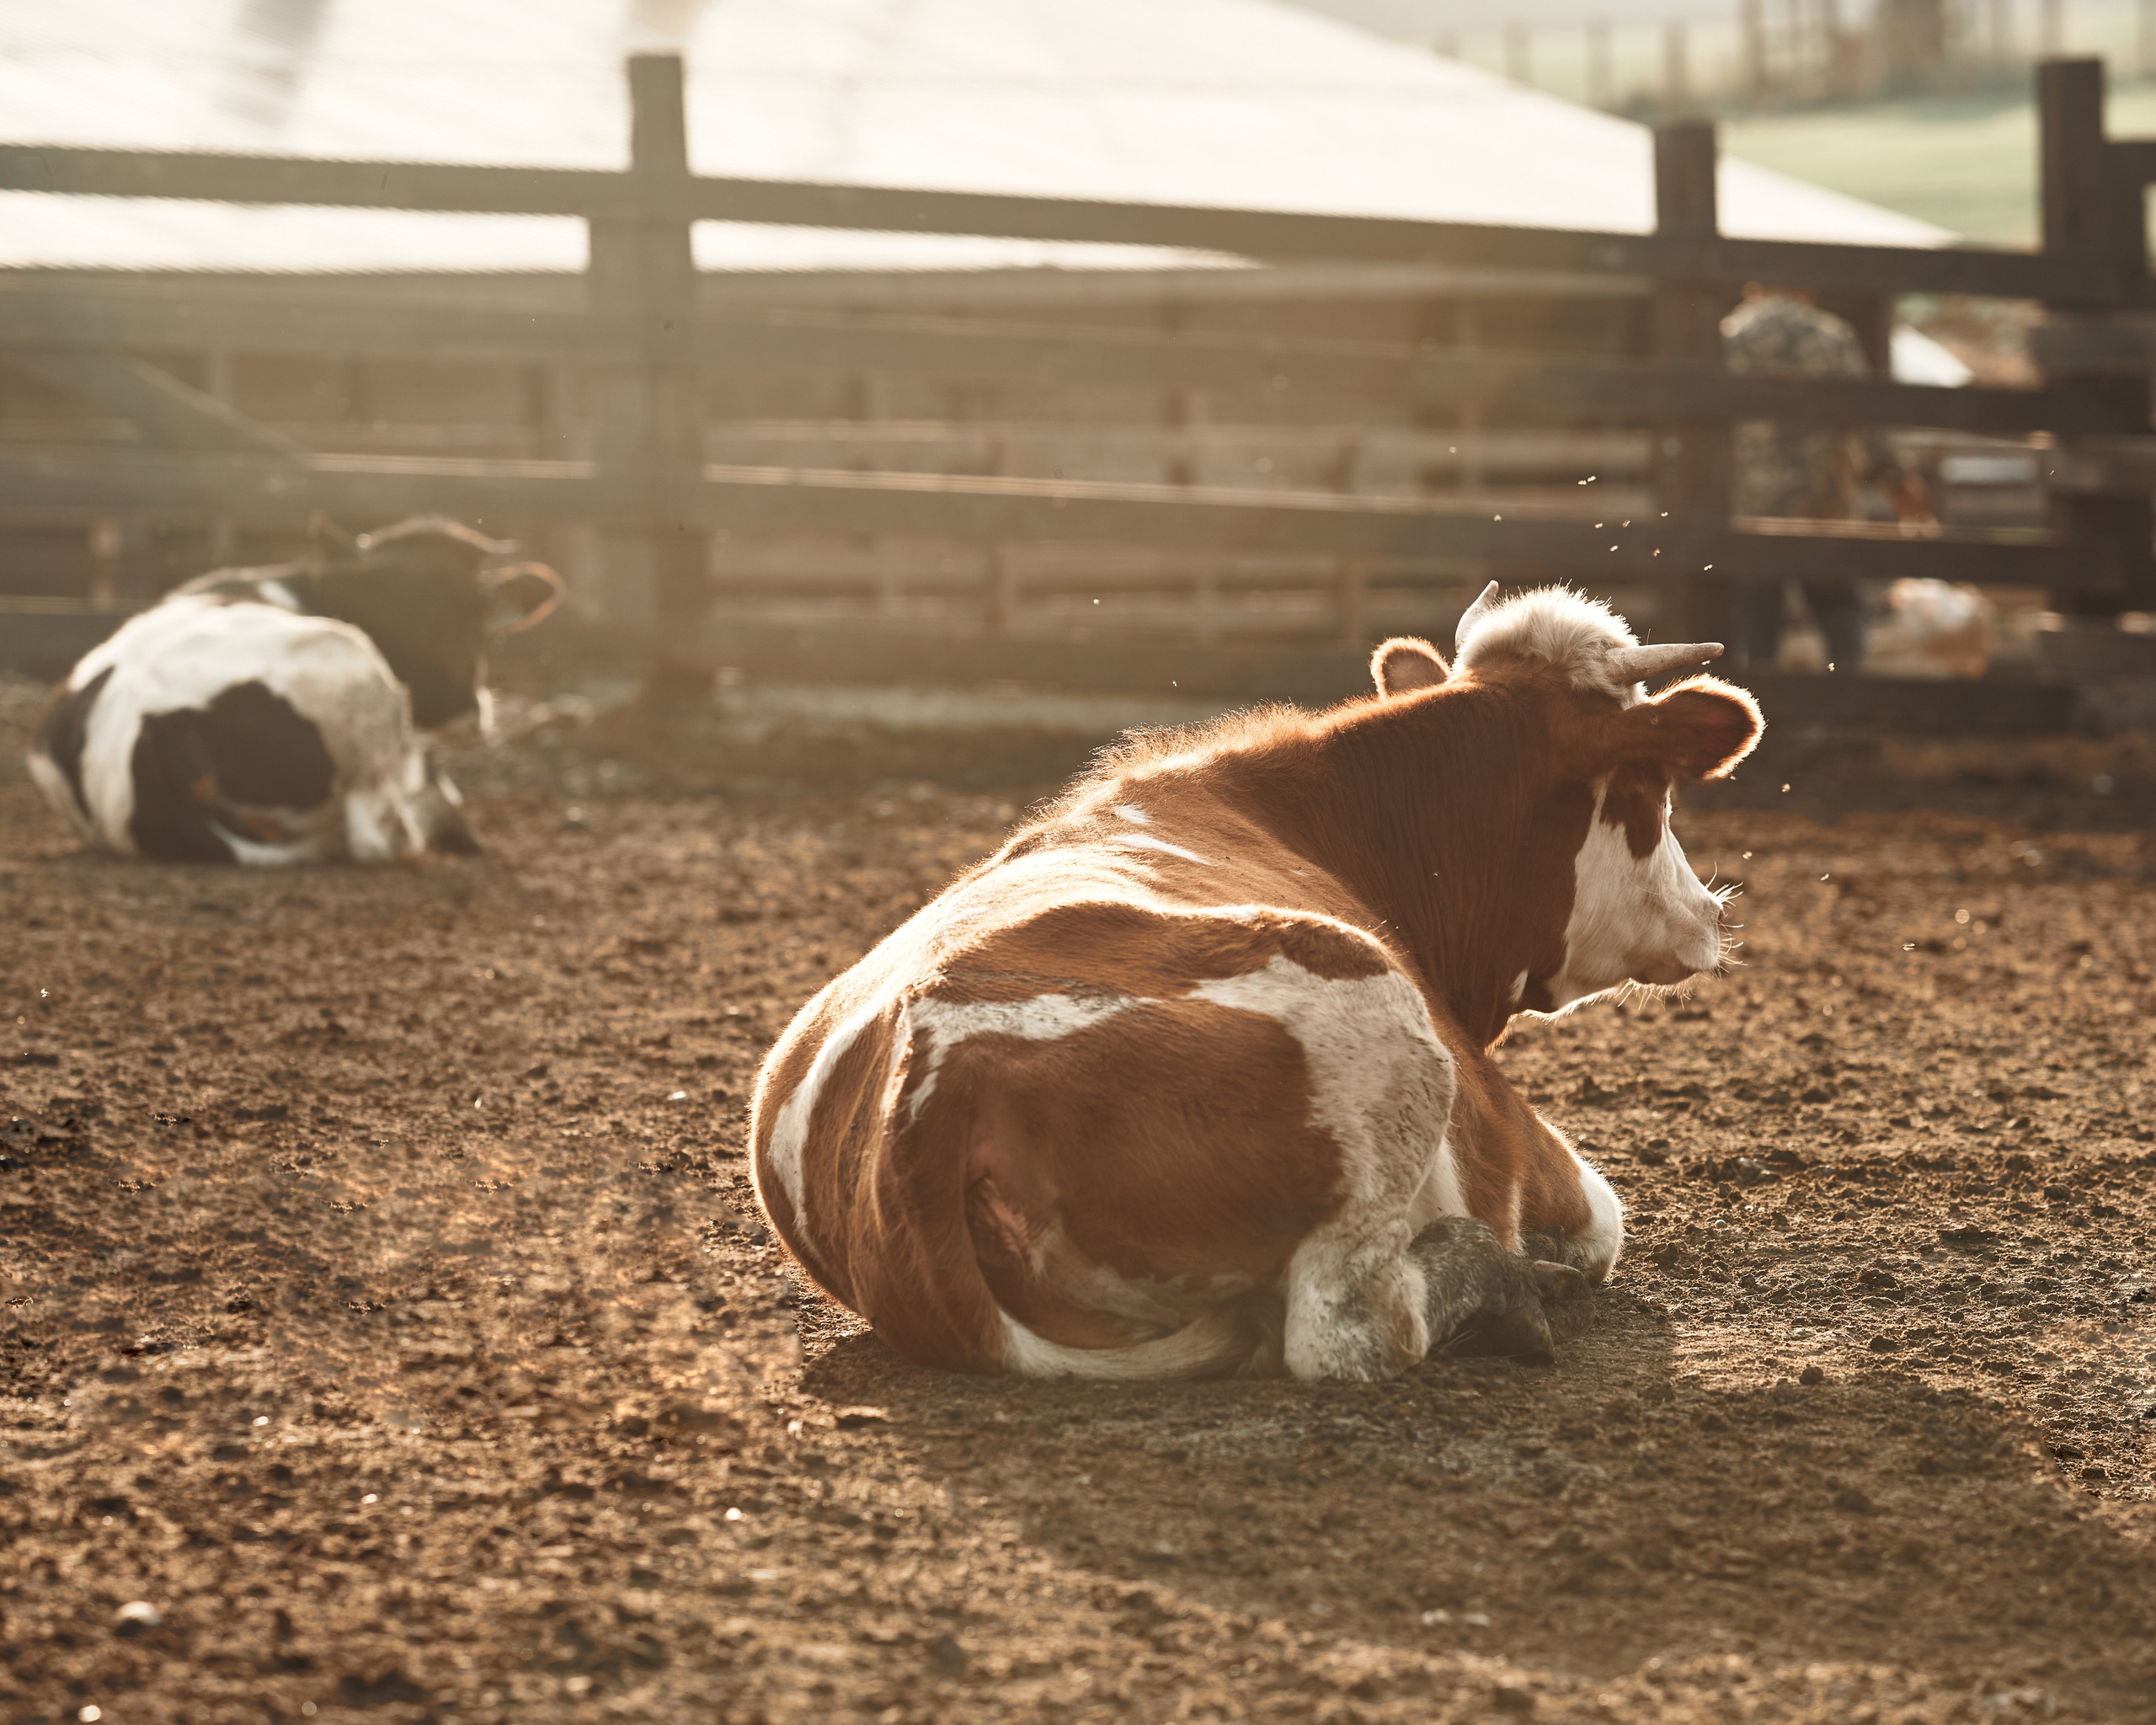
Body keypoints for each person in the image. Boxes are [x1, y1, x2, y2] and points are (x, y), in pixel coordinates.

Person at [1721, 285, 1932, 673]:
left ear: (1753, 287)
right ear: (1807, 290)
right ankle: (1845, 698)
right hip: (1823, 495)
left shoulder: (1731, 337)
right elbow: (1864, 417)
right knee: (1837, 603)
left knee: (1757, 609)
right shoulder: (1830, 336)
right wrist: (1898, 480)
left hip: (1751, 499)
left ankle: (1758, 703)